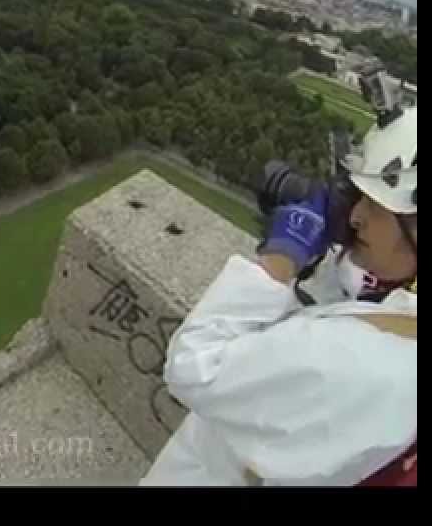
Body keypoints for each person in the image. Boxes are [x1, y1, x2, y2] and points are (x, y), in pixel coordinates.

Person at [140, 107, 417, 487]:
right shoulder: (399, 326)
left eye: (375, 204)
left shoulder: (358, 357)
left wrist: (283, 254)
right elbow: (345, 314)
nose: (354, 217)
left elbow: (194, 365)